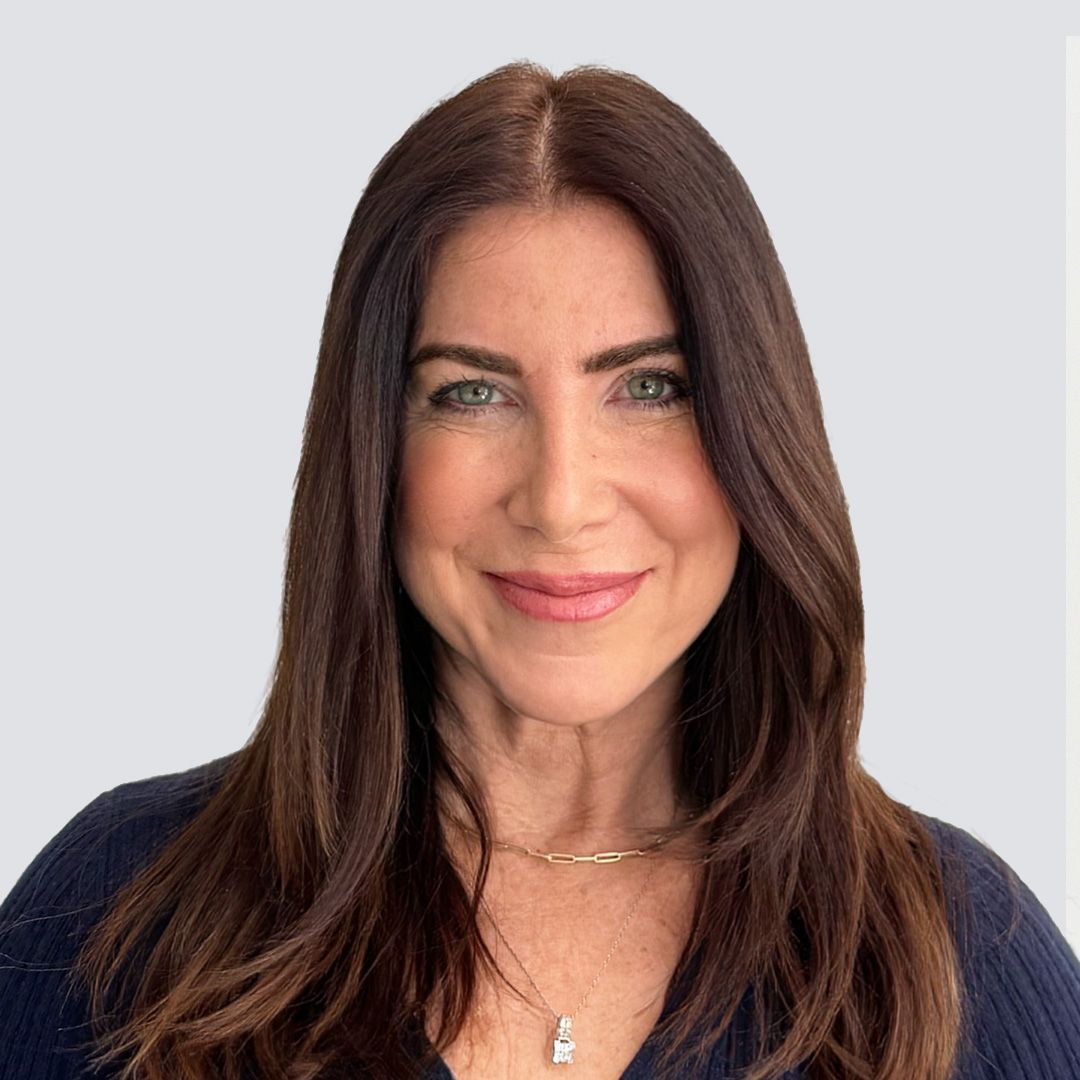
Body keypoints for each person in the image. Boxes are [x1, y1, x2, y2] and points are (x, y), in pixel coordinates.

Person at [1, 59, 1078, 1080]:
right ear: (374, 450)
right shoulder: (114, 919)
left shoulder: (959, 951)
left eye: (650, 387)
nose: (561, 498)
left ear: (760, 431)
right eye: (473, 393)